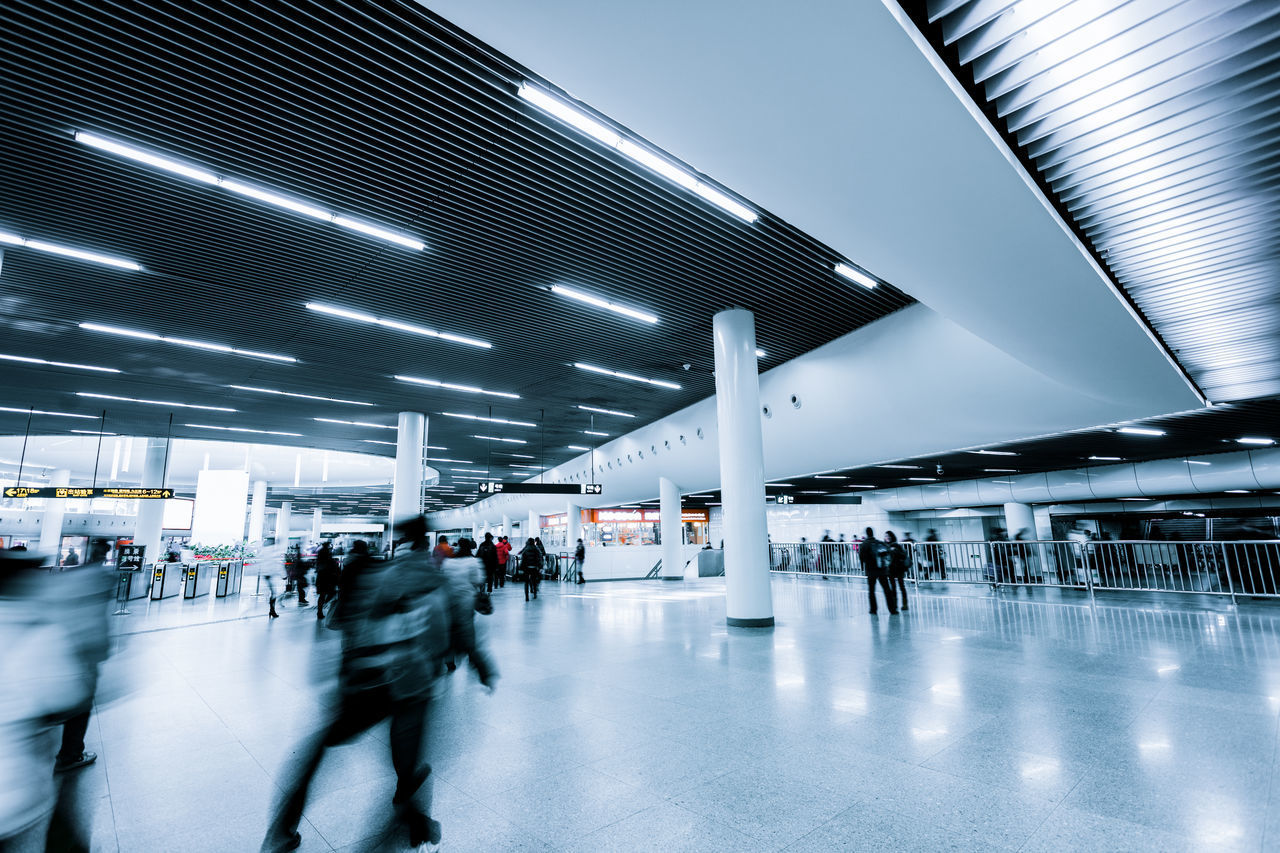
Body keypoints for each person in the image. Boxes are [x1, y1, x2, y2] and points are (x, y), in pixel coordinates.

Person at [261, 516, 495, 853]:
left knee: (321, 746)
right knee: (407, 761)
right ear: (426, 543)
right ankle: (412, 821)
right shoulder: (434, 579)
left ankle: (282, 829)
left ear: (402, 542)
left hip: (368, 680)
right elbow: (460, 625)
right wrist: (481, 663)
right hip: (413, 685)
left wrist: (348, 669)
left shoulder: (381, 573)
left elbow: (345, 621)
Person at [859, 527, 897, 615]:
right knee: (887, 589)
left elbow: (861, 557)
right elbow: (889, 552)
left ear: (866, 534)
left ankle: (873, 609)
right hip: (882, 570)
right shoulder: (879, 542)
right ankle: (892, 609)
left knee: (871, 590)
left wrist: (863, 568)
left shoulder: (864, 544)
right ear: (873, 533)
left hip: (871, 571)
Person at [314, 542, 340, 621]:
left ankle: (320, 611)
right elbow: (334, 567)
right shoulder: (329, 557)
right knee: (332, 593)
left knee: (322, 595)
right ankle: (327, 607)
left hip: (321, 578)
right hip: (329, 578)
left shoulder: (320, 556)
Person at [885, 531, 909, 611]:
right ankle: (894, 605)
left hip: (899, 569)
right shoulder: (885, 546)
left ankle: (905, 604)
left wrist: (895, 551)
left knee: (901, 586)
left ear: (892, 537)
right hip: (890, 569)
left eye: (889, 536)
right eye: (886, 536)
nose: (887, 537)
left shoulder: (896, 545)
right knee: (893, 587)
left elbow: (903, 555)